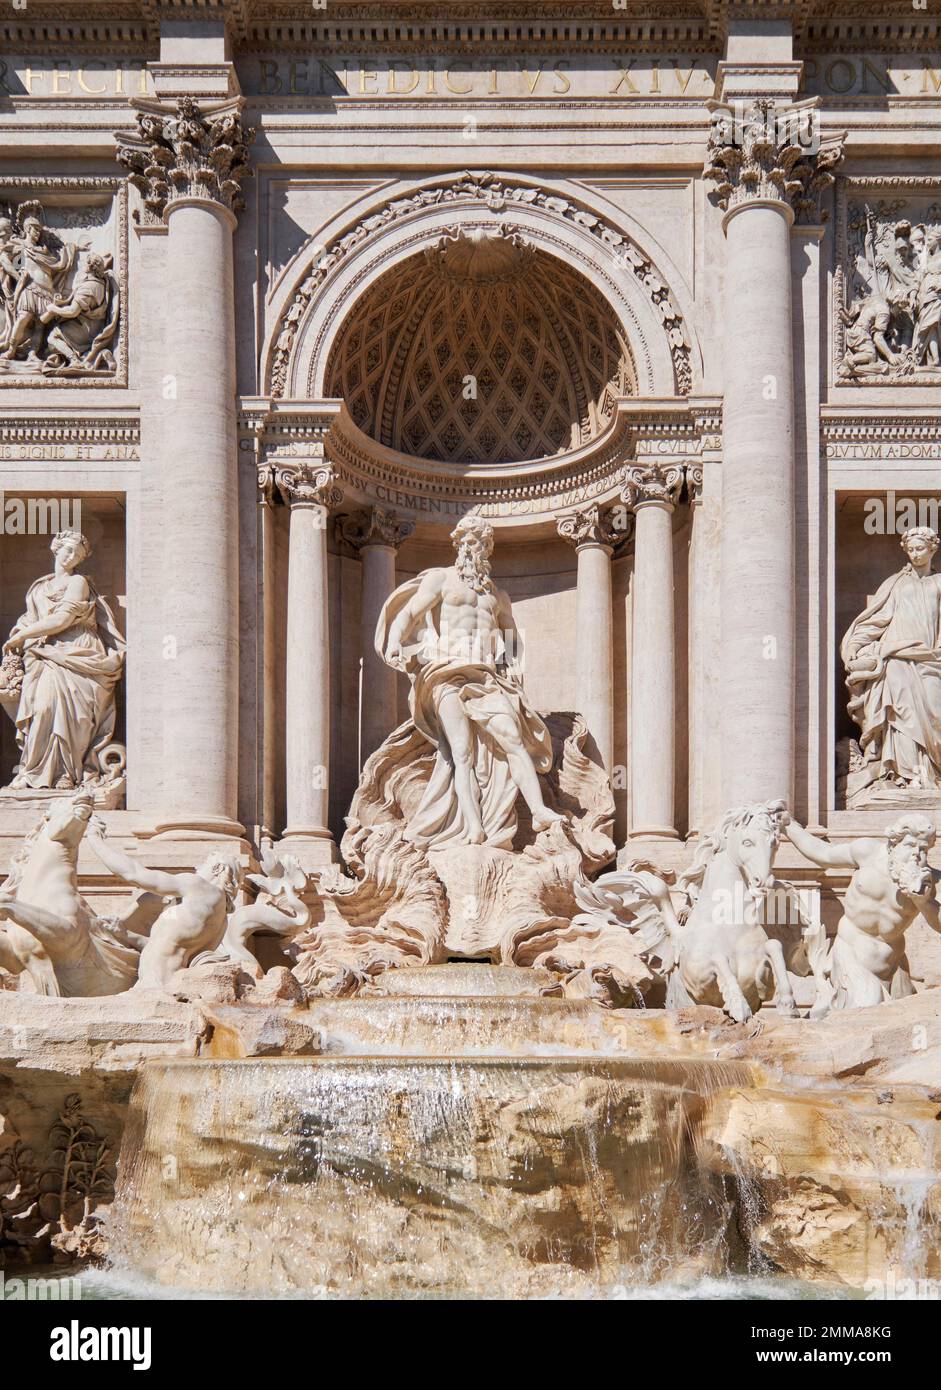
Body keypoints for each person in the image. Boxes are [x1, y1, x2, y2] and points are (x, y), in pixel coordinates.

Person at [377, 513, 564, 848]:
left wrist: (512, 670)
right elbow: (409, 613)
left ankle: (538, 812)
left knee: (513, 739)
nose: (468, 547)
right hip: (445, 673)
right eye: (463, 541)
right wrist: (394, 640)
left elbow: (512, 640)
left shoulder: (498, 596)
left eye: (476, 541)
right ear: (457, 545)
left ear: (486, 548)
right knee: (461, 752)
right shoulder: (441, 579)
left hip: (485, 676)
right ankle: (474, 828)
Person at [2, 530, 125, 789]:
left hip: (77, 651)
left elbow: (62, 619)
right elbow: (34, 617)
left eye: (77, 554)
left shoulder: (78, 582)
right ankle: (34, 771)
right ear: (55, 548)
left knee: (74, 717)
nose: (71, 557)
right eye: (68, 550)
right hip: (45, 653)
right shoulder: (39, 587)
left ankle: (67, 774)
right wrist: (21, 630)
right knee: (43, 709)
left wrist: (22, 634)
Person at [783, 812, 941, 1009]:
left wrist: (923, 901)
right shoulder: (867, 852)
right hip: (852, 955)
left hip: (894, 967)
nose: (917, 854)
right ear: (895, 842)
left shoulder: (931, 881)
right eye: (910, 845)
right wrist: (790, 827)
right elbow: (823, 854)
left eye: (924, 849)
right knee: (868, 1008)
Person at [841, 526, 941, 793]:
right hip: (896, 656)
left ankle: (931, 774)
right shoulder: (896, 583)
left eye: (920, 548)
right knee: (899, 712)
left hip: (931, 658)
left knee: (935, 711)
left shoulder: (939, 582)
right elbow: (875, 620)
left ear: (933, 549)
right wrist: (855, 644)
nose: (915, 553)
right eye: (911, 549)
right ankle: (904, 775)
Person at [85, 823, 239, 989]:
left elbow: (134, 873)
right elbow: (165, 946)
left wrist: (94, 839)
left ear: (217, 869)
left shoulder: (199, 885)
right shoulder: (221, 919)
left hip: (157, 984)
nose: (196, 868)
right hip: (163, 983)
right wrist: (125, 933)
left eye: (203, 864)